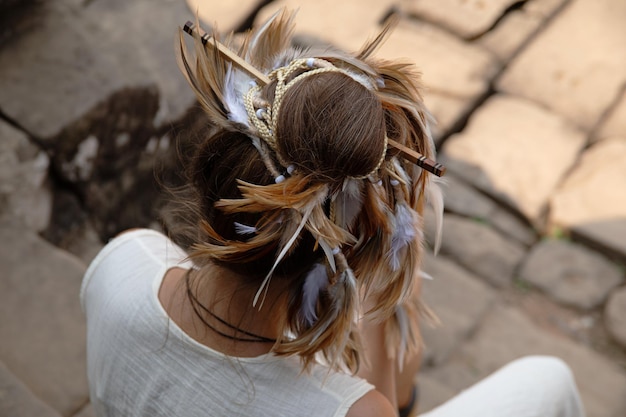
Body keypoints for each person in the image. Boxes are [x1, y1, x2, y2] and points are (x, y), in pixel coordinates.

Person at [80, 9, 586, 417]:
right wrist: (389, 286)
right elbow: (397, 399)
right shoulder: (352, 409)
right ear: (355, 246)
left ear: (217, 169)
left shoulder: (123, 264)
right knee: (549, 381)